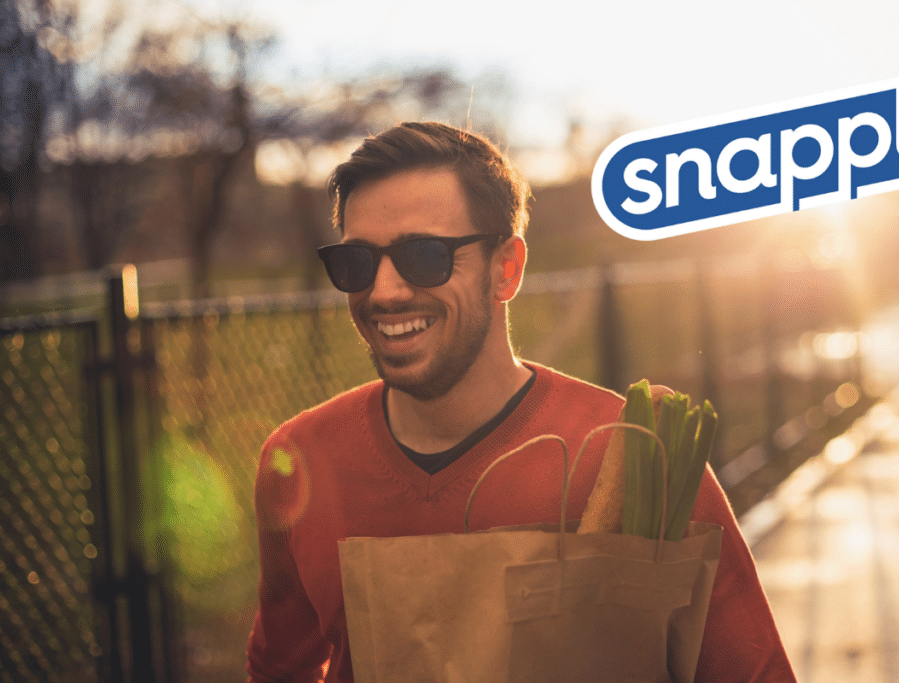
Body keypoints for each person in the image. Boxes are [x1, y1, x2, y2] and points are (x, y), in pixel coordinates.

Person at [246, 121, 796, 683]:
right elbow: (279, 672)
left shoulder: (636, 456)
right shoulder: (300, 461)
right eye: (357, 262)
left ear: (506, 268)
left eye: (425, 255)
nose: (383, 292)